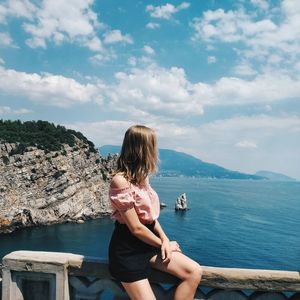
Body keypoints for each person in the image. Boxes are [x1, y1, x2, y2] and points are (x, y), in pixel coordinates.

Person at [108, 125, 202, 300]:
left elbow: (149, 219)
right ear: (142, 149)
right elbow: (136, 228)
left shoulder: (142, 178)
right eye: (153, 146)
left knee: (193, 272)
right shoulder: (120, 181)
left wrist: (165, 239)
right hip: (128, 251)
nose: (156, 151)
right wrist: (162, 244)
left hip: (149, 243)